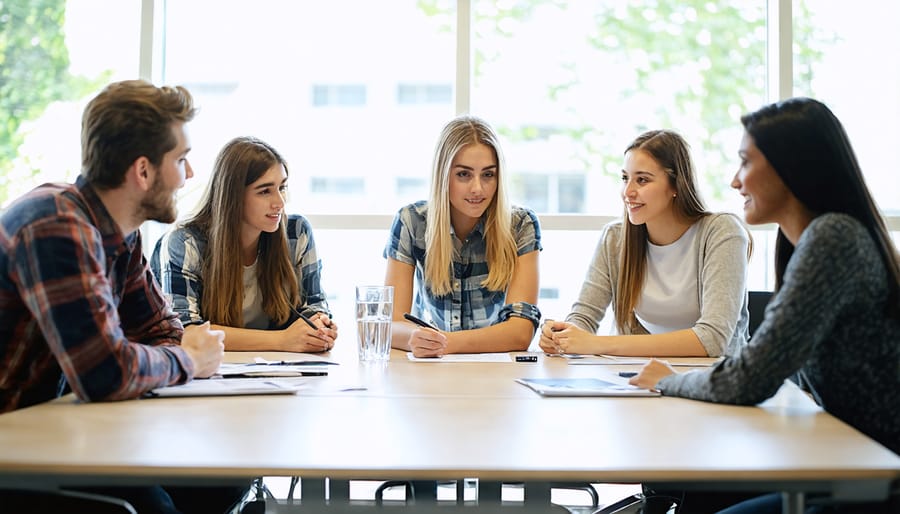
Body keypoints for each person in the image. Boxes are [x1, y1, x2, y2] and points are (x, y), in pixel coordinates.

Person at [631, 98, 900, 514]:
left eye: (745, 163)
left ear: (790, 167)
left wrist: (669, 381)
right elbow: (773, 365)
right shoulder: (806, 240)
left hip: (871, 479)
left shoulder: (833, 240)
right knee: (698, 488)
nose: (736, 182)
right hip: (844, 459)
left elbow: (752, 377)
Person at [0, 80, 245, 513]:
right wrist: (188, 361)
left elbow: (164, 331)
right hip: (15, 444)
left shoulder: (119, 233)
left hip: (56, 426)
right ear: (143, 171)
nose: (189, 175)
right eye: (182, 160)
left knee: (222, 482)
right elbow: (106, 372)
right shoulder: (56, 224)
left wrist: (163, 356)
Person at [540, 129, 750, 358]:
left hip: (715, 381)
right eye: (624, 178)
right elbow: (584, 316)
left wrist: (599, 344)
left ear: (676, 185)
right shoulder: (615, 238)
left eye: (642, 180)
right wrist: (563, 335)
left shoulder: (722, 232)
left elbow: (712, 339)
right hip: (635, 378)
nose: (627, 192)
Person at [152, 136, 337, 352]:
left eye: (282, 187)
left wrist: (318, 327)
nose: (279, 202)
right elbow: (187, 332)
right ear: (233, 197)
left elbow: (312, 305)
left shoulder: (296, 232)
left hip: (279, 369)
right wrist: (282, 341)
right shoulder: (185, 242)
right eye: (265, 191)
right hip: (211, 372)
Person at [384, 115, 542, 357]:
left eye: (488, 175)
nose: (477, 188)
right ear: (443, 176)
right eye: (464, 175)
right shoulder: (411, 221)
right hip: (430, 369)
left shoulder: (521, 225)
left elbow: (520, 332)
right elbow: (391, 324)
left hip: (496, 375)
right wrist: (415, 339)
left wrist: (442, 343)